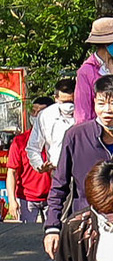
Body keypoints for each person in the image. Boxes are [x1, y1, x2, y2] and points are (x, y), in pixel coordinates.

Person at [45, 74, 113, 253]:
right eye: (101, 103)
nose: (107, 111)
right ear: (94, 102)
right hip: (85, 226)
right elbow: (59, 185)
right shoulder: (76, 136)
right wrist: (52, 227)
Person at [24, 80, 77, 224]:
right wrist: (39, 165)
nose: (68, 106)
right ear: (56, 98)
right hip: (58, 172)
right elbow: (33, 147)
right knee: (60, 218)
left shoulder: (87, 111)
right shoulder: (46, 116)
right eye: (64, 102)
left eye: (72, 101)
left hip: (84, 173)